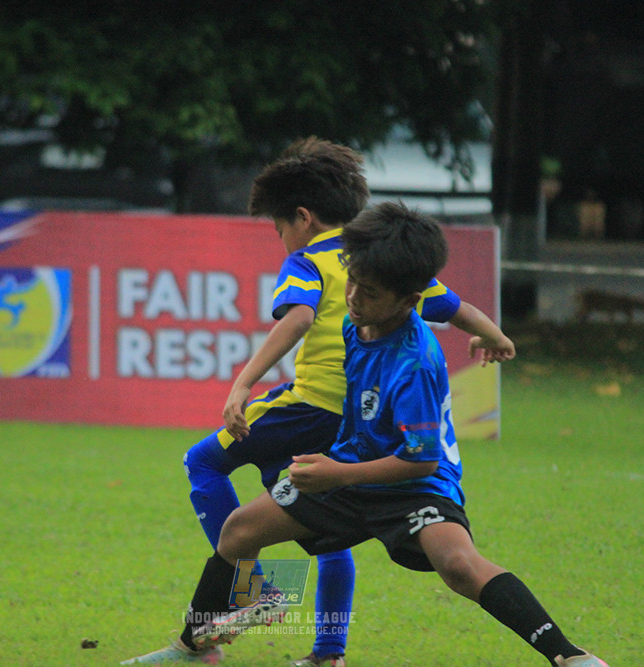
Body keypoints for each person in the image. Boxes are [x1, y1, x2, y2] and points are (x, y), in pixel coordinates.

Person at [123, 202, 607, 667]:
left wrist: (339, 472)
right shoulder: (359, 326)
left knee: (458, 566)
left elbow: (421, 461)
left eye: (369, 292)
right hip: (352, 470)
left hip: (413, 487)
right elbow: (448, 319)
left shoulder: (415, 362)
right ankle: (197, 645)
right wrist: (496, 337)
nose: (353, 298)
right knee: (238, 531)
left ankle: (568, 654)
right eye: (352, 282)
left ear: (409, 300)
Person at [182, 138, 516, 666]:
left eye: (279, 228)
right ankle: (328, 652)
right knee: (325, 527)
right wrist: (496, 337)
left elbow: (296, 318)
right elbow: (458, 308)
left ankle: (257, 592)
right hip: (360, 418)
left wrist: (243, 383)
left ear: (303, 217)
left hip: (309, 404)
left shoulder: (310, 259)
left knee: (202, 461)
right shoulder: (387, 258)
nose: (281, 240)